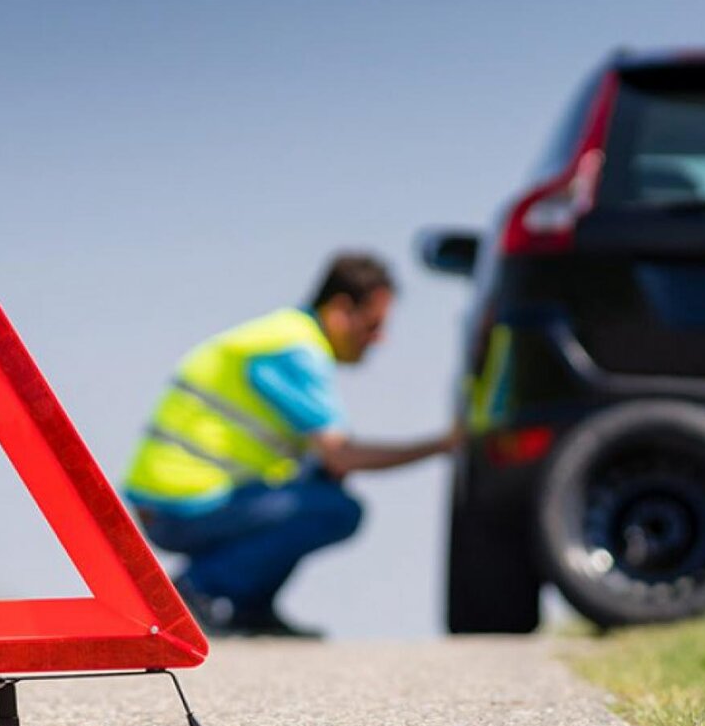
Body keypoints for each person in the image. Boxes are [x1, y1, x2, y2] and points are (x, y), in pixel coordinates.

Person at [122, 253, 458, 637]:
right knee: (334, 509)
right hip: (179, 505)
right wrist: (442, 445)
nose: (379, 339)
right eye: (373, 325)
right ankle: (198, 590)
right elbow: (342, 455)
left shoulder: (283, 335)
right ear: (340, 310)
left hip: (180, 498)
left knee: (324, 485)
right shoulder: (293, 350)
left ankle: (248, 606)